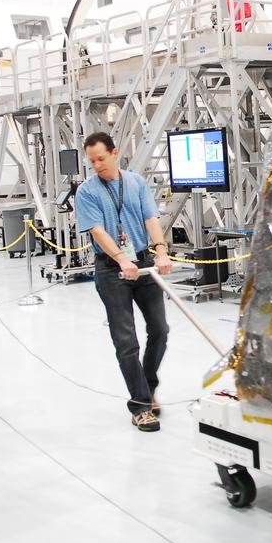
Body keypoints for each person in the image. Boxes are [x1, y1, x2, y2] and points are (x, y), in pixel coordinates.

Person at [75, 132, 174, 432]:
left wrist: (161, 250)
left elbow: (150, 219)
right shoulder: (87, 192)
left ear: (115, 153)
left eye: (101, 159)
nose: (97, 165)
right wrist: (121, 259)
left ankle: (148, 386)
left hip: (143, 263)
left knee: (160, 330)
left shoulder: (136, 183)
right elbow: (97, 231)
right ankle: (141, 406)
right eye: (92, 161)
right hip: (111, 270)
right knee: (126, 340)